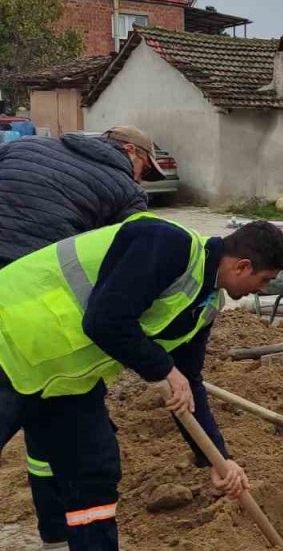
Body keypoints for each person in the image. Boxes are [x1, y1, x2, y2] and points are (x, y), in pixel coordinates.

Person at [0, 215, 283, 550]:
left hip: (64, 378)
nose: (263, 289)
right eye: (265, 279)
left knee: (95, 473)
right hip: (10, 344)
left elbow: (189, 383)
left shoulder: (204, 304)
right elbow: (104, 320)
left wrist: (217, 460)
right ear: (243, 266)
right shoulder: (166, 243)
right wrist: (162, 368)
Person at [0, 124, 164, 550]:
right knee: (66, 423)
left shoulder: (28, 148)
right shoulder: (126, 192)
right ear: (130, 151)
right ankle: (59, 534)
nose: (142, 178)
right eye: (145, 166)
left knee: (46, 422)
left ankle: (54, 534)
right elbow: (137, 262)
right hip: (32, 310)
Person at [0, 125, 164, 268]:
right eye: (146, 170)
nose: (140, 179)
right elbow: (133, 248)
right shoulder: (130, 192)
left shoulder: (25, 144)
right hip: (32, 270)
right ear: (130, 150)